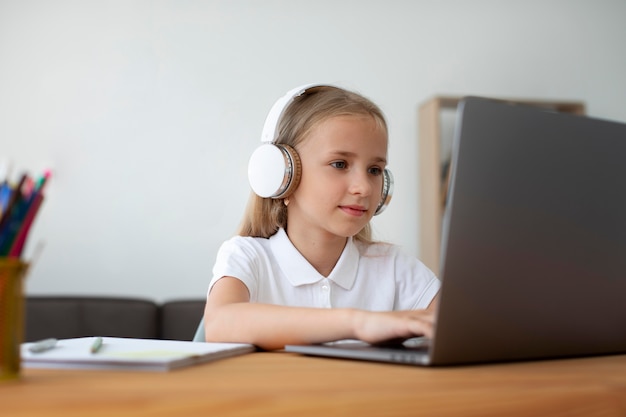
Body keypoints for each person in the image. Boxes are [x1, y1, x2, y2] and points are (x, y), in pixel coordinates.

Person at [203, 84, 440, 350]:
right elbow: (221, 323)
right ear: (282, 175)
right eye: (340, 164)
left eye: (374, 169)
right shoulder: (248, 257)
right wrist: (358, 323)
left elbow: (463, 327)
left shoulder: (394, 267)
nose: (363, 187)